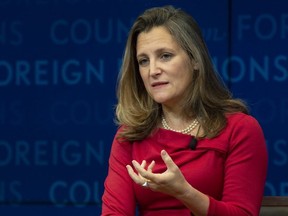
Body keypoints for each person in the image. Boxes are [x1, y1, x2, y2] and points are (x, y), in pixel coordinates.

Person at [101, 5, 268, 216]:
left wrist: (185, 192)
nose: (153, 71)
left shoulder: (239, 130)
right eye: (144, 61)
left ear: (195, 60)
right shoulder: (130, 136)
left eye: (165, 56)